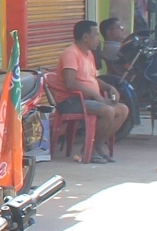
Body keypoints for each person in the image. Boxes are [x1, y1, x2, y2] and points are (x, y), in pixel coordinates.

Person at [49, 19, 126, 162]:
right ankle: (88, 149)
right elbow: (70, 82)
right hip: (71, 101)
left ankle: (96, 146)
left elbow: (93, 79)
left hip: (88, 99)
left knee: (122, 110)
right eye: (96, 35)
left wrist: (109, 87)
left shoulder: (88, 54)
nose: (98, 39)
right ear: (85, 37)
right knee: (108, 111)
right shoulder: (71, 54)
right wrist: (95, 94)